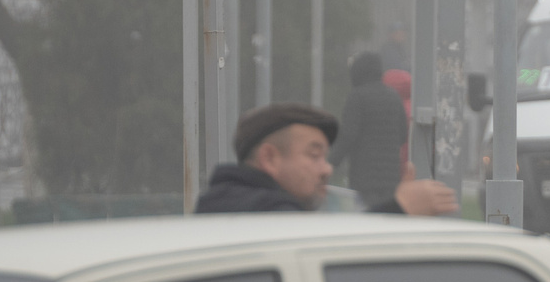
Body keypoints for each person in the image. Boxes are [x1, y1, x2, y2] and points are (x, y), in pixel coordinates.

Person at [196, 103, 457, 216]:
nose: (327, 169)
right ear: (269, 158)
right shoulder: (263, 214)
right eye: (314, 155)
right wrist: (400, 208)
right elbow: (328, 249)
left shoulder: (229, 204)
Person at [330, 50, 409, 208]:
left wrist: (331, 163)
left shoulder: (357, 97)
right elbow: (403, 134)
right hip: (391, 179)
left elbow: (348, 136)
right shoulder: (394, 96)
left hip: (364, 178)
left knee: (366, 220)